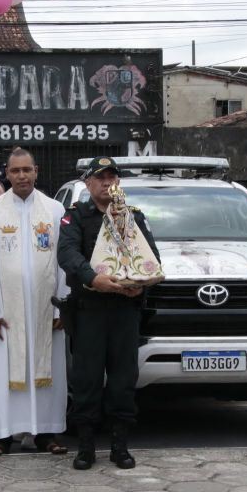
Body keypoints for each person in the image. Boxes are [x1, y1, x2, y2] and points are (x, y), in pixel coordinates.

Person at [57, 156, 160, 470]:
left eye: (112, 177)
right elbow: (67, 252)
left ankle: (119, 445)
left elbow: (151, 257)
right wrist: (92, 278)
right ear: (88, 184)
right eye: (100, 178)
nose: (107, 183)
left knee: (123, 378)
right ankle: (86, 446)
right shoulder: (76, 217)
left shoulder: (132, 217)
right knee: (86, 378)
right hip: (89, 310)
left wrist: (141, 285)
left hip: (124, 311)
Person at [0, 148, 69, 457]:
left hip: (44, 310)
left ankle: (46, 433)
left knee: (48, 372)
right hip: (4, 313)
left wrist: (60, 304)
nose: (22, 176)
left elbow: (64, 259)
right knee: (2, 372)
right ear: (7, 174)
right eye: (15, 171)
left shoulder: (53, 210)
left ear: (36, 171)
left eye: (27, 170)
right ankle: (0, 435)